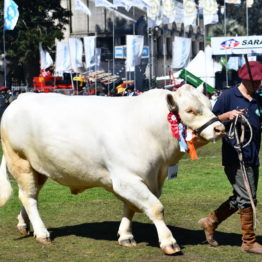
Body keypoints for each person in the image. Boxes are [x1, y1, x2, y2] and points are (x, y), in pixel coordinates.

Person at [198, 61, 262, 254]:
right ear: (245, 78)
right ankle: (248, 242)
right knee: (247, 198)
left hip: (253, 156)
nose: (259, 84)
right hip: (235, 157)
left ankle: (210, 221)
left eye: (260, 81)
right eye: (256, 81)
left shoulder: (258, 99)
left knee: (244, 197)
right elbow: (211, 122)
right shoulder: (227, 96)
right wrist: (228, 116)